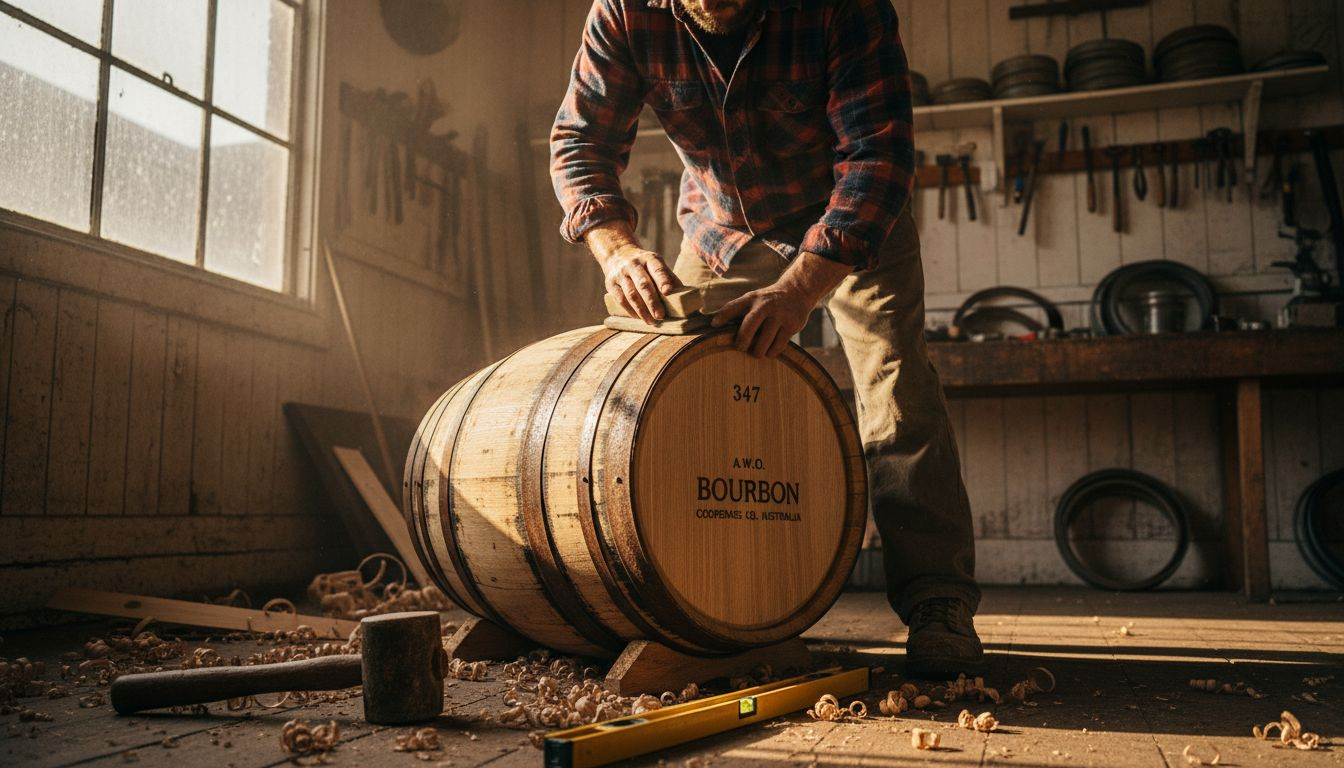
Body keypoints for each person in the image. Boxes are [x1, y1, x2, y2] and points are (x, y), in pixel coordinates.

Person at [550, 0, 982, 677]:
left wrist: (800, 290)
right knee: (677, 388)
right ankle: (693, 594)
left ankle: (938, 601)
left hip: (853, 221)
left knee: (896, 388)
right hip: (722, 229)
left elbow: (877, 156)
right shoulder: (624, 11)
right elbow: (581, 143)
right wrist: (617, 250)